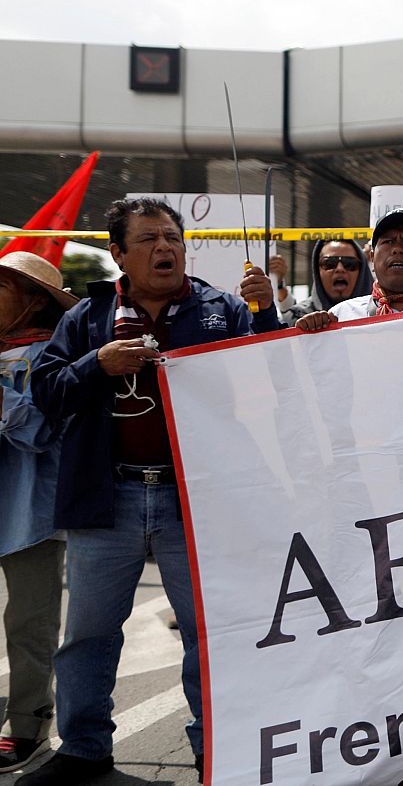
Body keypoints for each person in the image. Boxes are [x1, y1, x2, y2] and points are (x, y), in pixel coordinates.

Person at [23, 197, 280, 785]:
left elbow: (271, 371)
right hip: (104, 497)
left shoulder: (222, 308)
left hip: (196, 502)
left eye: (173, 237)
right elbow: (46, 392)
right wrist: (97, 364)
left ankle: (215, 748)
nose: (166, 248)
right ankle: (83, 748)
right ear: (118, 254)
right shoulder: (86, 319)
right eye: (149, 240)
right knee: (86, 633)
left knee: (207, 633)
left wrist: (264, 314)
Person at [0, 253, 76, 773]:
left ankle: (27, 725)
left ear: (33, 300)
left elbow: (43, 430)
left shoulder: (53, 354)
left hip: (28, 512)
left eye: (3, 286)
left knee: (29, 623)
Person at [294, 209, 403, 331]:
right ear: (372, 258)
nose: (397, 249)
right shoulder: (340, 315)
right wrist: (308, 336)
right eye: (388, 241)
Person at [282, 238, 373, 325]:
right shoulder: (296, 318)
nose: (340, 269)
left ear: (361, 271)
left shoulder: (381, 313)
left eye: (349, 264)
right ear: (317, 271)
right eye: (330, 263)